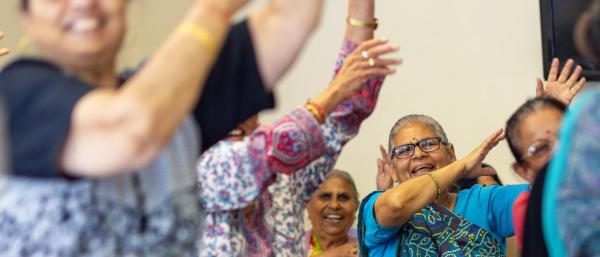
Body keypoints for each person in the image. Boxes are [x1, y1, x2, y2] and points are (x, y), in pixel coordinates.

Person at [0, 0, 325, 256]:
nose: (84, 2)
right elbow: (130, 133)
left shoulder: (169, 98)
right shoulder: (15, 92)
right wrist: (210, 10)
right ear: (27, 15)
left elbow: (291, 18)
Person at [197, 1, 398, 255]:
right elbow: (269, 150)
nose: (232, 110)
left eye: (240, 96)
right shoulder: (198, 166)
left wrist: (360, 10)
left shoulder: (285, 177)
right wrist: (334, 92)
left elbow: (345, 115)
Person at [358, 114, 529, 256]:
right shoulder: (375, 211)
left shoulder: (484, 202)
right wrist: (462, 166)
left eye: (430, 144)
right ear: (393, 170)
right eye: (404, 150)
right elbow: (396, 205)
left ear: (451, 154)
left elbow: (548, 198)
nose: (418, 153)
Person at [505, 58, 586, 254]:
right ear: (523, 170)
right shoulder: (527, 208)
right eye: (541, 149)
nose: (558, 152)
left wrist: (551, 108)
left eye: (565, 137)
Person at [306, 170, 360, 257]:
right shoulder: (289, 245)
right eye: (325, 197)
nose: (334, 205)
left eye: (343, 197)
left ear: (356, 206)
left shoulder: (368, 248)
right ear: (308, 205)